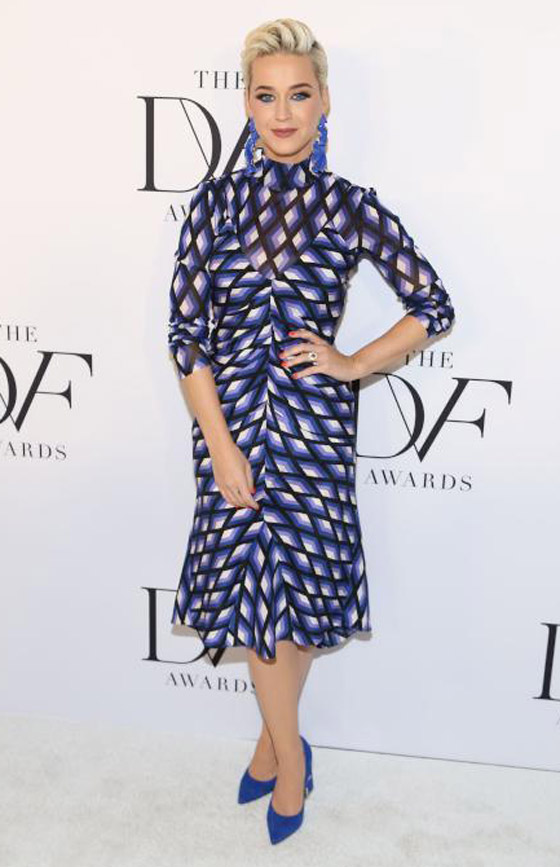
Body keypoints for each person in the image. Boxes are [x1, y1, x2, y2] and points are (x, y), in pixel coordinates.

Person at [167, 17, 455, 845]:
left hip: (312, 433)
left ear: (324, 101)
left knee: (290, 601)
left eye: (299, 94)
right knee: (256, 594)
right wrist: (221, 445)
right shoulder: (213, 205)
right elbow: (186, 337)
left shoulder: (348, 207)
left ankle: (275, 747)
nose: (283, 112)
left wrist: (352, 361)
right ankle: (291, 755)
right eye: (267, 96)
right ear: (246, 105)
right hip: (230, 432)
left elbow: (432, 305)